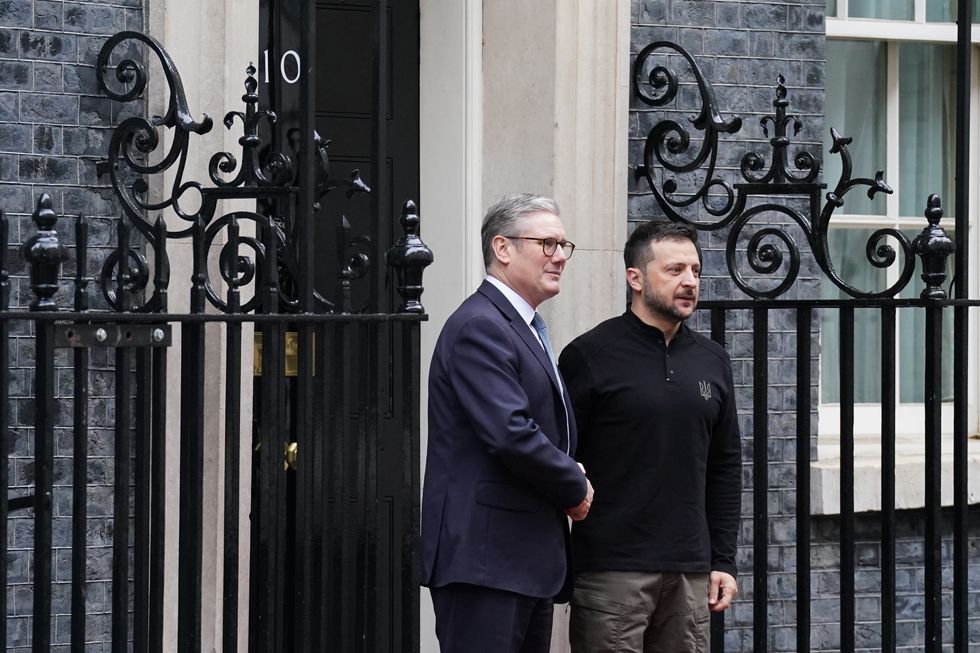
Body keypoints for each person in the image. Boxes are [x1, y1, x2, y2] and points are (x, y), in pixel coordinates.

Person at [558, 220, 742, 652]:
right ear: (635, 278)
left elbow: (725, 465)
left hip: (690, 574)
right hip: (611, 572)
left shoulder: (713, 360)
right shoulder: (589, 356)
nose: (690, 282)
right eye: (674, 270)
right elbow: (559, 458)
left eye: (695, 271)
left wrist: (723, 561)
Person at [421, 194, 594, 653]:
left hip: (521, 562)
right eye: (547, 243)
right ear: (503, 248)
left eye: (564, 245)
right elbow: (510, 431)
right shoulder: (481, 325)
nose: (560, 256)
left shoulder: (522, 326)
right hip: (486, 562)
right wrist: (572, 485)